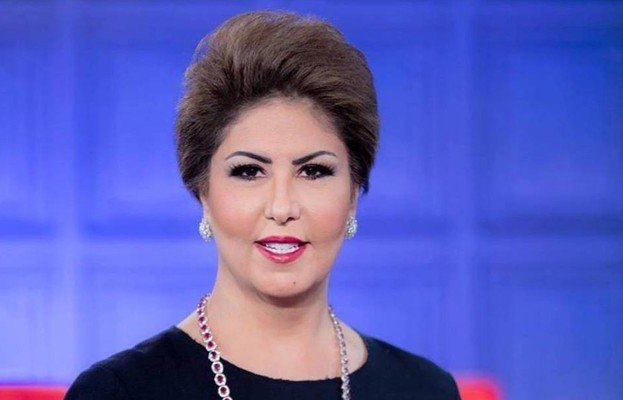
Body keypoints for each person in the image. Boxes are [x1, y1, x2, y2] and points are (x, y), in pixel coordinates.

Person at [66, 10, 461, 400]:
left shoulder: (426, 389)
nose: (282, 206)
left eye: (314, 171)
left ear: (354, 193)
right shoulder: (120, 391)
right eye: (249, 171)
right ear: (203, 192)